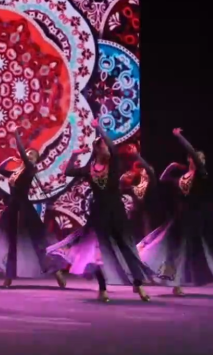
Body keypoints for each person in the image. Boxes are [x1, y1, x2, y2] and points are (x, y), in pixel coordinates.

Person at [138, 128, 213, 296]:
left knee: (211, 251)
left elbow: (192, 155)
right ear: (189, 159)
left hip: (201, 219)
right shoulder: (183, 177)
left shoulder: (202, 175)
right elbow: (163, 179)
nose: (200, 160)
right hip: (182, 219)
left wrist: (179, 136)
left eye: (201, 159)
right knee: (176, 252)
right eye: (197, 157)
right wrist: (173, 166)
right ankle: (176, 285)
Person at [46, 120, 154, 302]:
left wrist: (99, 129)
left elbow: (113, 149)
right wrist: (75, 154)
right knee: (96, 253)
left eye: (107, 145)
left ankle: (138, 284)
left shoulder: (114, 165)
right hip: (98, 214)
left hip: (117, 213)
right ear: (97, 150)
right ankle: (102, 288)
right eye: (103, 145)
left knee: (126, 249)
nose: (108, 148)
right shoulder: (89, 170)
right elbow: (69, 171)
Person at [0, 131, 67, 288]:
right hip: (13, 209)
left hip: (25, 210)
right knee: (10, 242)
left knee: (39, 243)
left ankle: (57, 272)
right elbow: (0, 169)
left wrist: (17, 137)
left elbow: (23, 154)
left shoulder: (30, 169)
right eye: (28, 153)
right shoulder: (16, 172)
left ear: (36, 160)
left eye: (33, 155)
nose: (29, 155)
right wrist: (10, 159)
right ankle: (8, 277)